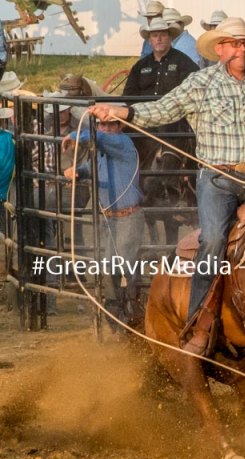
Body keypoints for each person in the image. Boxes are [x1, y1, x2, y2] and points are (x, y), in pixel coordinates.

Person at [87, 17, 245, 355]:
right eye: (235, 44)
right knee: (213, 241)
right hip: (217, 178)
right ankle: (200, 321)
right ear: (220, 49)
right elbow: (162, 110)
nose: (241, 50)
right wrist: (121, 112)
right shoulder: (201, 83)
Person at [62, 116, 144, 327]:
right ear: (97, 125)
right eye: (102, 124)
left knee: (119, 268)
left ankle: (129, 312)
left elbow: (99, 138)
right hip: (111, 219)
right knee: (110, 269)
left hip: (127, 218)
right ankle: (120, 316)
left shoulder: (121, 143)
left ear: (119, 126)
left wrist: (74, 135)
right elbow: (92, 167)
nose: (106, 128)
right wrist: (79, 172)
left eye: (111, 124)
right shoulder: (102, 149)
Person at [123, 17, 198, 166]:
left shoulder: (184, 62)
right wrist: (137, 115)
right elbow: (128, 96)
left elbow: (193, 91)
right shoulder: (140, 66)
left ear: (170, 37)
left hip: (174, 122)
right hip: (143, 123)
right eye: (155, 35)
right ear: (149, 40)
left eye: (163, 35)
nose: (159, 39)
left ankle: (184, 174)